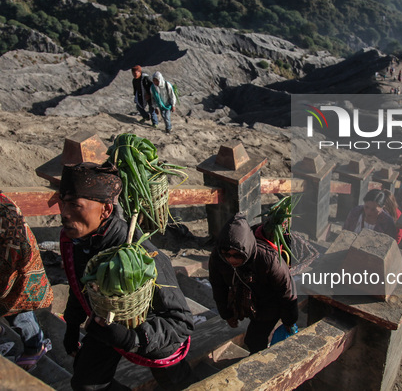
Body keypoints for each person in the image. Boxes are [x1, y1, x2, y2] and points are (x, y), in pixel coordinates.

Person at [58, 162, 195, 391]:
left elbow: (181, 322)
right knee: (85, 385)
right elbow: (78, 284)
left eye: (75, 205)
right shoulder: (78, 240)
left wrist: (131, 339)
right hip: (103, 324)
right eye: (62, 203)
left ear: (106, 210)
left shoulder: (144, 257)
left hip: (148, 331)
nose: (64, 213)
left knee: (175, 383)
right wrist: (72, 327)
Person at [208, 213, 298, 354]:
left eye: (237, 255)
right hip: (244, 298)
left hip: (269, 302)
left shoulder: (268, 260)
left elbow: (286, 291)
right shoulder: (218, 258)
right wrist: (227, 314)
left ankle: (260, 362)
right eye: (227, 254)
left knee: (253, 339)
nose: (231, 260)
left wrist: (289, 320)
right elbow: (218, 286)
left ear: (247, 249)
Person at [0, 192, 54, 371]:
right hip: (11, 258)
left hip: (15, 264)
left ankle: (35, 347)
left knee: (19, 307)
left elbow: (15, 247)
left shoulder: (6, 219)